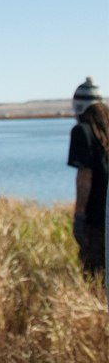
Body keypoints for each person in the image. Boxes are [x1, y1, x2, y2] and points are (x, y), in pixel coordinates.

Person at [69, 100, 108, 276]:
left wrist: (79, 215)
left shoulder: (82, 131)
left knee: (94, 274)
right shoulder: (104, 131)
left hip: (96, 219)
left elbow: (85, 176)